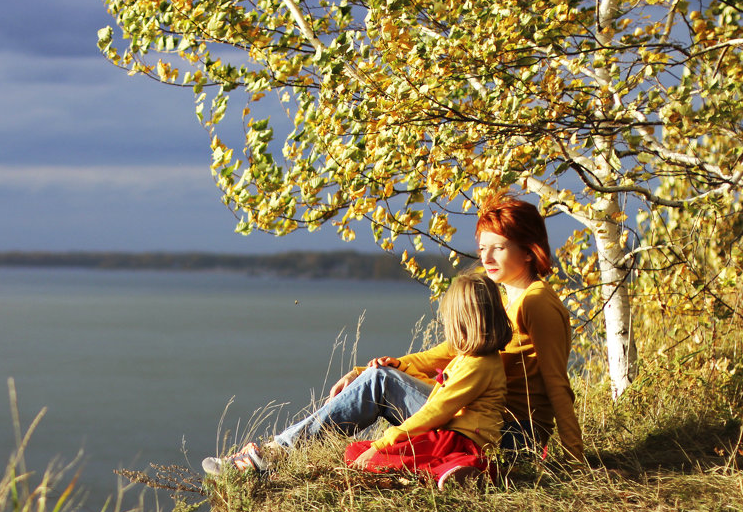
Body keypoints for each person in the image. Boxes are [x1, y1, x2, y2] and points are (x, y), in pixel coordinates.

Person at [202, 194, 585, 476]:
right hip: (485, 420)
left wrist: (575, 459)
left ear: (529, 249)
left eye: (498, 248)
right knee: (379, 377)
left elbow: (556, 383)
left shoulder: (537, 304)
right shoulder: (506, 295)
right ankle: (275, 454)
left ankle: (272, 456)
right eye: (483, 248)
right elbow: (454, 350)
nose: (485, 259)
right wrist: (396, 364)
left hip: (507, 435)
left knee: (380, 384)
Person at [341, 273, 511, 487]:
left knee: (374, 455)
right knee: (356, 451)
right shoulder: (469, 358)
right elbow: (438, 390)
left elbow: (437, 411)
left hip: (463, 440)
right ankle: (437, 474)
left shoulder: (479, 365)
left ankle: (463, 471)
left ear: (461, 323)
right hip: (450, 435)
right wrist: (403, 368)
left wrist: (386, 441)